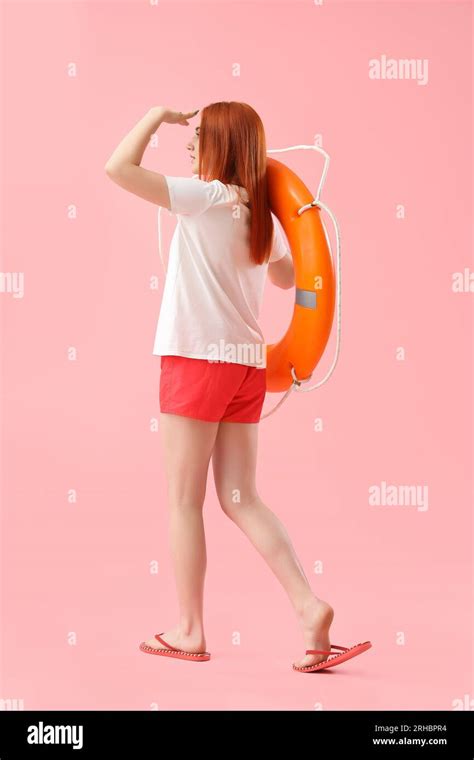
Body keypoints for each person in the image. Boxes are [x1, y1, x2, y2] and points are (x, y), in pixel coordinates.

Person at [105, 101, 335, 669]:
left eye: (199, 136)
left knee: (184, 500)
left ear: (223, 147)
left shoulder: (205, 196)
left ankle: (189, 629)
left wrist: (156, 115)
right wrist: (287, 210)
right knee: (241, 498)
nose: (189, 144)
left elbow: (118, 168)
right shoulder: (256, 214)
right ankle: (309, 606)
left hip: (195, 360)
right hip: (243, 366)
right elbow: (287, 277)